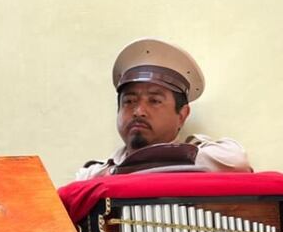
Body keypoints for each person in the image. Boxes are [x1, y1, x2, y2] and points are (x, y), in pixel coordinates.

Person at [74, 38, 251, 180]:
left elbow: (237, 162)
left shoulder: (214, 156)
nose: (138, 111)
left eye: (154, 101)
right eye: (129, 101)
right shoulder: (92, 175)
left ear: (182, 114)